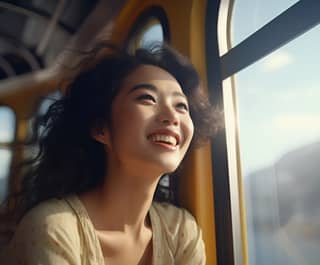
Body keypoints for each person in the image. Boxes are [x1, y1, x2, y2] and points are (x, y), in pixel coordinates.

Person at [0, 41, 220, 265]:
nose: (172, 116)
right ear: (100, 128)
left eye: (181, 106)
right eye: (147, 98)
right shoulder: (53, 229)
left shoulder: (180, 231)